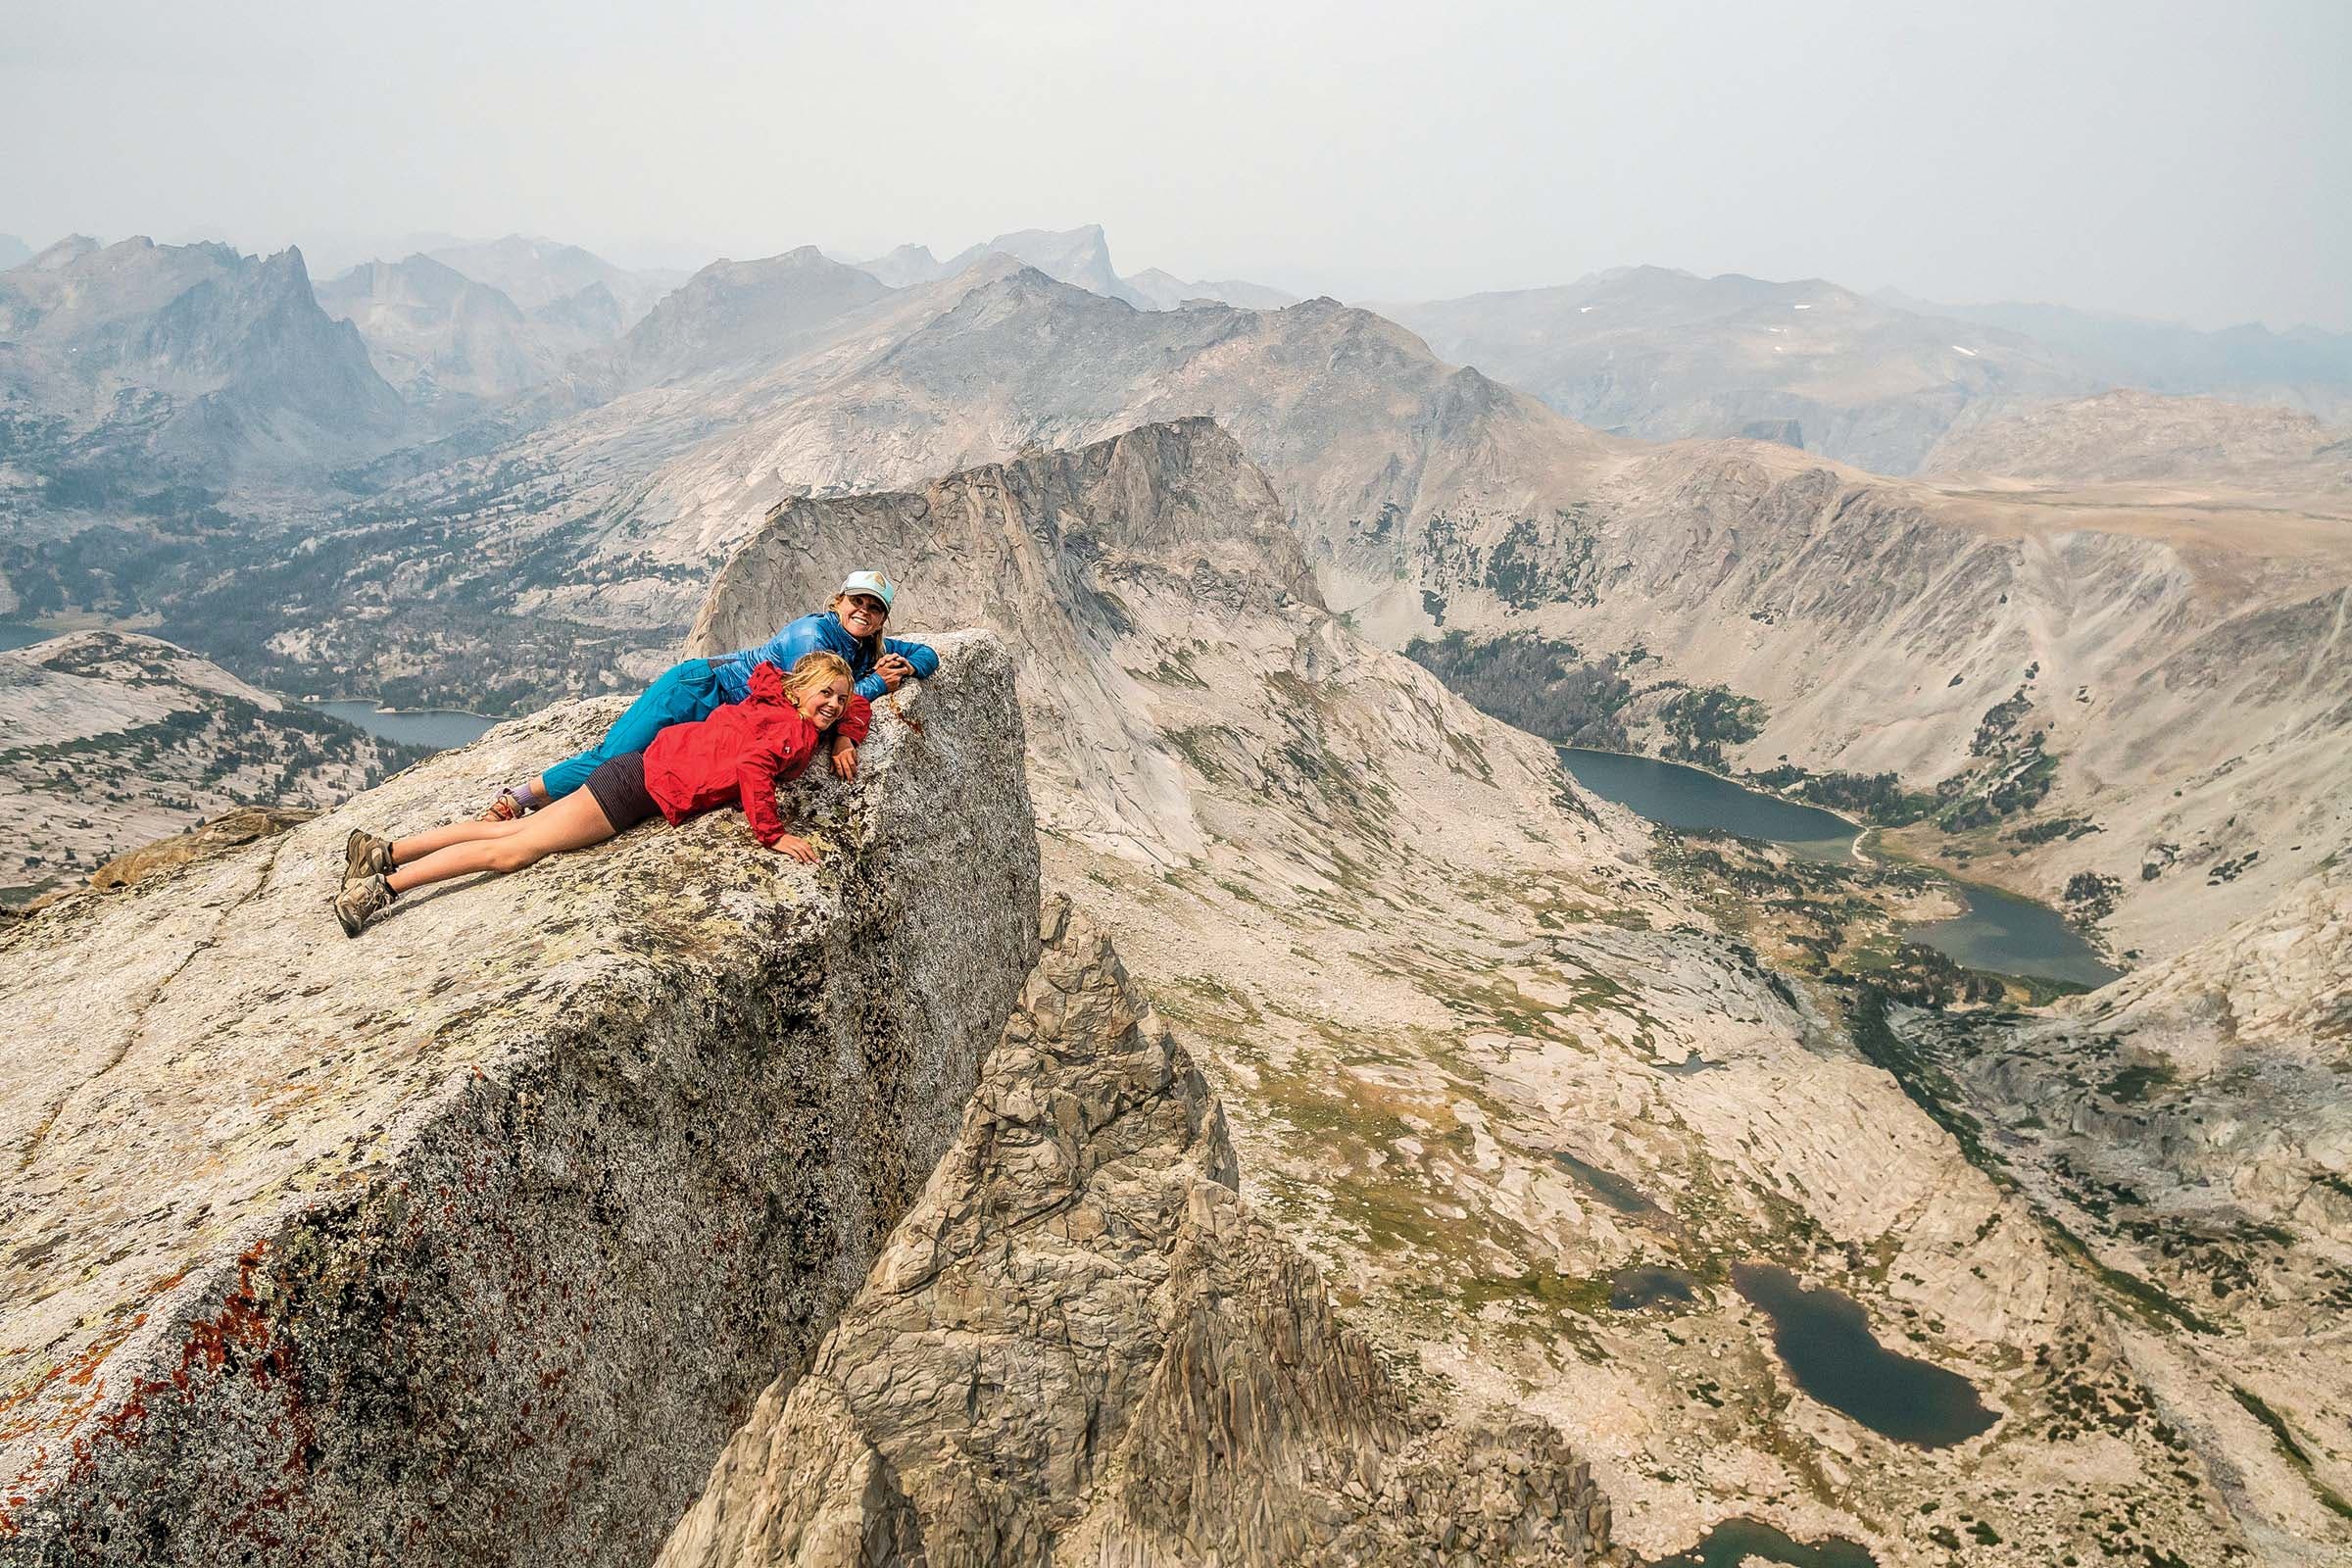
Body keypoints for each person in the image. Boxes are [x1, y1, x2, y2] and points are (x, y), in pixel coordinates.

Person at [336, 652, 867, 936]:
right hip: (637, 791)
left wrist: (846, 724)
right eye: (826, 693)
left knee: (513, 829)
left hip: (637, 769)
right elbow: (755, 766)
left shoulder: (772, 699)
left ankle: (383, 851)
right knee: (512, 851)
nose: (834, 704)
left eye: (840, 699)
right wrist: (772, 836)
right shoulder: (792, 728)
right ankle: (382, 889)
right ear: (800, 691)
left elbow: (858, 705)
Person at [481, 568, 938, 819]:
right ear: (836, 601)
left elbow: (928, 655)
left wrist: (903, 663)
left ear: (881, 618)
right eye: (857, 601)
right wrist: (878, 683)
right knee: (613, 760)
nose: (864, 611)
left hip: (724, 719)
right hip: (698, 689)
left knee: (643, 769)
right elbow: (812, 694)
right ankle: (518, 799)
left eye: (875, 607)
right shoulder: (810, 634)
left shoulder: (861, 646)